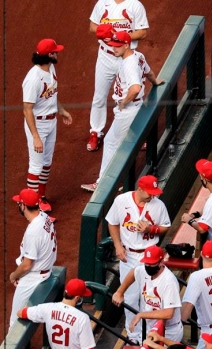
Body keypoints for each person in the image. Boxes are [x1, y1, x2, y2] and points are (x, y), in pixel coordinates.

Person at [81, 31, 164, 192]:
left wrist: (123, 103)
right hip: (135, 108)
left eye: (117, 46)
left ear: (127, 44)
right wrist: (155, 82)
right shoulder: (138, 56)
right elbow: (149, 72)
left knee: (111, 141)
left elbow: (135, 88)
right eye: (112, 45)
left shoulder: (129, 63)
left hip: (128, 110)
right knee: (122, 142)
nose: (114, 48)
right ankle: (118, 179)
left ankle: (104, 183)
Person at [105, 175, 171, 341]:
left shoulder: (159, 205)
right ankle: (134, 335)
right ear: (139, 189)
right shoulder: (121, 201)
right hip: (129, 255)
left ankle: (152, 334)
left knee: (152, 298)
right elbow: (112, 222)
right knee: (131, 297)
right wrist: (118, 245)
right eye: (150, 192)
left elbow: (165, 227)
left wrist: (152, 229)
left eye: (154, 192)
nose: (152, 195)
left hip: (151, 256)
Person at [87, 0, 149, 152]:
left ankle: (136, 134)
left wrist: (119, 36)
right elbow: (92, 27)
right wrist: (104, 32)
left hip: (126, 57)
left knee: (133, 95)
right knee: (99, 96)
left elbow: (143, 32)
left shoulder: (135, 5)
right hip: (105, 57)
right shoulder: (103, 3)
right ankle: (95, 131)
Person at [22, 38, 72, 213]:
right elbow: (27, 110)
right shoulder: (33, 79)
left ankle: (40, 197)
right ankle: (31, 205)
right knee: (36, 165)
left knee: (46, 163)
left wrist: (62, 110)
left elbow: (52, 94)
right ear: (49, 55)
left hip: (52, 121)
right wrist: (35, 136)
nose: (58, 53)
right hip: (38, 125)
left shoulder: (51, 68)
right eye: (55, 51)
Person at [112, 245, 183, 343]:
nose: (148, 267)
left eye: (152, 264)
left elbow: (168, 313)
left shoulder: (169, 281)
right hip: (150, 328)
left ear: (161, 262)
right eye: (147, 264)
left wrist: (141, 315)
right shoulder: (143, 270)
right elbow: (133, 272)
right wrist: (120, 292)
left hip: (168, 331)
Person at [9, 189, 57, 329]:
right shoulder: (45, 217)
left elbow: (26, 265)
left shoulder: (33, 232)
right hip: (44, 271)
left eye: (19, 203)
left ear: (23, 206)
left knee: (15, 322)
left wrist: (14, 275)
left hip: (33, 278)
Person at [16, 279, 96, 349]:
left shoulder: (47, 308)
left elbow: (21, 313)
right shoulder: (82, 318)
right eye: (82, 296)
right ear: (77, 298)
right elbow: (88, 347)